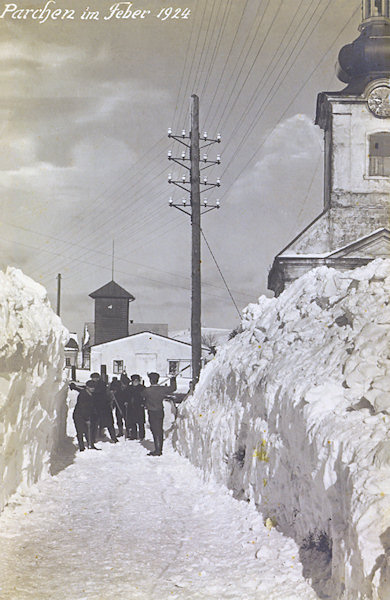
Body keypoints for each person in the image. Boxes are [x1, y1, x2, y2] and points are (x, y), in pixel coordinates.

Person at [143, 371, 176, 456]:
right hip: (160, 411)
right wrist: (173, 379)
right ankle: (159, 448)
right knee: (159, 429)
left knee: (154, 430)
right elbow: (173, 388)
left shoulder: (147, 390)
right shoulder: (162, 389)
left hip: (152, 412)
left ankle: (158, 450)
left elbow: (141, 395)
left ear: (150, 380)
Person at [90, 372, 118, 443]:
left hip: (104, 406)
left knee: (109, 424)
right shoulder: (93, 384)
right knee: (95, 423)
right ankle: (93, 438)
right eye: (93, 378)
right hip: (97, 407)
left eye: (96, 378)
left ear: (98, 378)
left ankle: (113, 438)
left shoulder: (102, 384)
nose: (94, 379)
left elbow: (97, 392)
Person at [72, 380, 99, 451]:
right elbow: (83, 408)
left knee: (88, 431)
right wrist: (87, 419)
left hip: (87, 415)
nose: (93, 389)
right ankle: (81, 447)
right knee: (80, 431)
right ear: (87, 387)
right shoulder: (83, 395)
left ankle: (91, 445)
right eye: (91, 387)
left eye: (94, 387)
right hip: (78, 415)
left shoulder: (92, 394)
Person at [127, 374, 146, 440]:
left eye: (137, 380)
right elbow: (126, 396)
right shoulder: (129, 388)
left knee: (140, 422)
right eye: (134, 380)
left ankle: (141, 436)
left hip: (139, 407)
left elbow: (146, 397)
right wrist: (126, 402)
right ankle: (133, 435)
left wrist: (143, 403)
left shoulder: (142, 388)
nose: (135, 382)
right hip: (131, 407)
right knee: (132, 422)